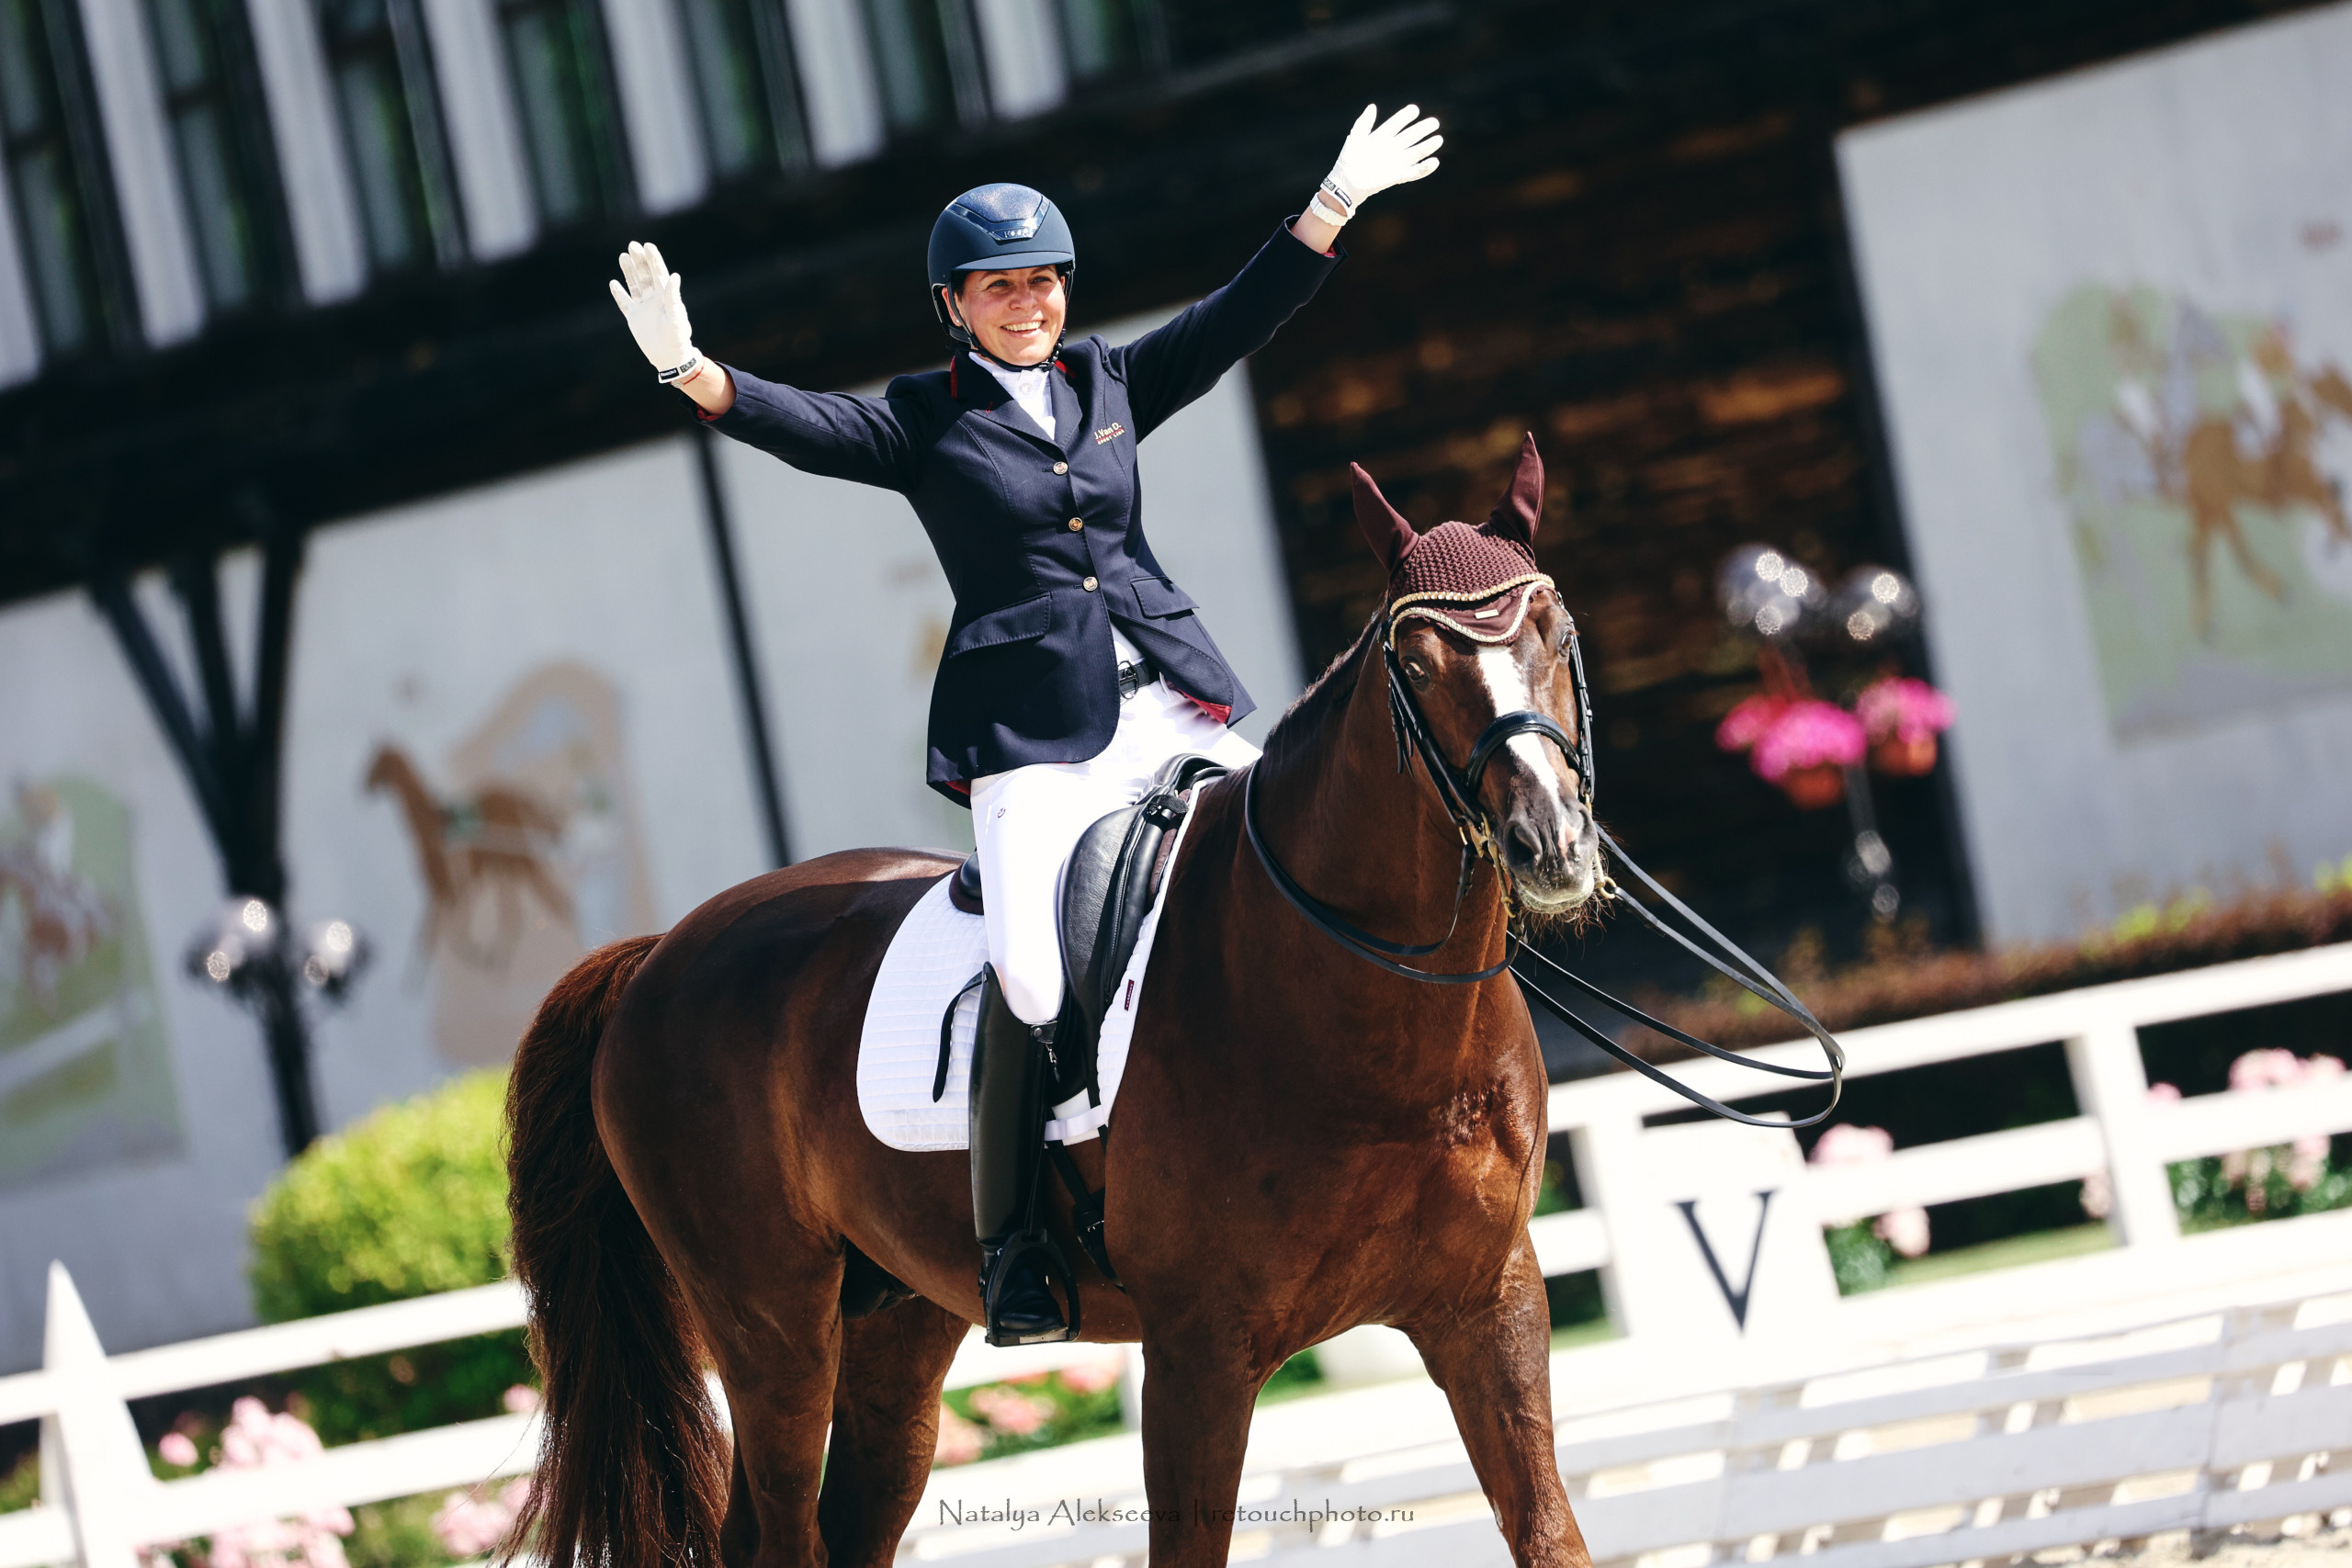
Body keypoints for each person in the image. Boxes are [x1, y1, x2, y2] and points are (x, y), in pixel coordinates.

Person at [607, 104, 1443, 1344]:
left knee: (1287, 875)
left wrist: (1328, 204)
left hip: (1174, 701)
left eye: (1044, 280)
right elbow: (806, 429)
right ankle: (1012, 1249)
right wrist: (694, 372)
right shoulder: (922, 419)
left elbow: (1229, 322)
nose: (1029, 301)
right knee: (1033, 971)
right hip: (1036, 745)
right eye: (1000, 287)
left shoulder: (1109, 382)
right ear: (954, 304)